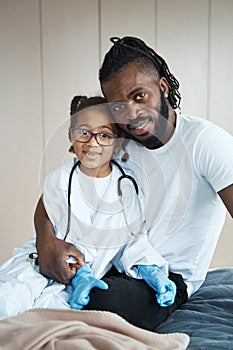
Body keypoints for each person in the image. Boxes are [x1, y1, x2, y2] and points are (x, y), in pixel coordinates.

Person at [35, 36, 233, 330]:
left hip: (165, 277)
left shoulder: (205, 142)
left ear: (162, 88)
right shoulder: (118, 142)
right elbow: (60, 190)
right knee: (28, 281)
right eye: (118, 106)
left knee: (101, 302)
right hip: (108, 257)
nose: (131, 114)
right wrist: (47, 243)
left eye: (140, 96)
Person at [0, 95, 177, 323]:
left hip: (83, 279)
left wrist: (150, 271)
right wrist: (80, 270)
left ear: (118, 143)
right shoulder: (61, 180)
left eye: (104, 135)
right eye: (84, 132)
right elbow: (62, 235)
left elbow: (131, 239)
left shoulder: (127, 186)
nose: (92, 143)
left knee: (53, 319)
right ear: (71, 136)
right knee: (11, 298)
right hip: (42, 261)